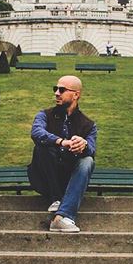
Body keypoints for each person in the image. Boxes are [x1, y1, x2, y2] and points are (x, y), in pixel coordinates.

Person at [28, 75, 97, 233]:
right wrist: (60, 141)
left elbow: (92, 149)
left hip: (69, 180)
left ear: (76, 95)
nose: (56, 93)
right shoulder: (44, 115)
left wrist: (83, 145)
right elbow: (36, 132)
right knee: (42, 145)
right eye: (55, 89)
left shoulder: (89, 125)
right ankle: (56, 198)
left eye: (62, 90)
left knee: (87, 160)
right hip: (44, 178)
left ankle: (63, 217)